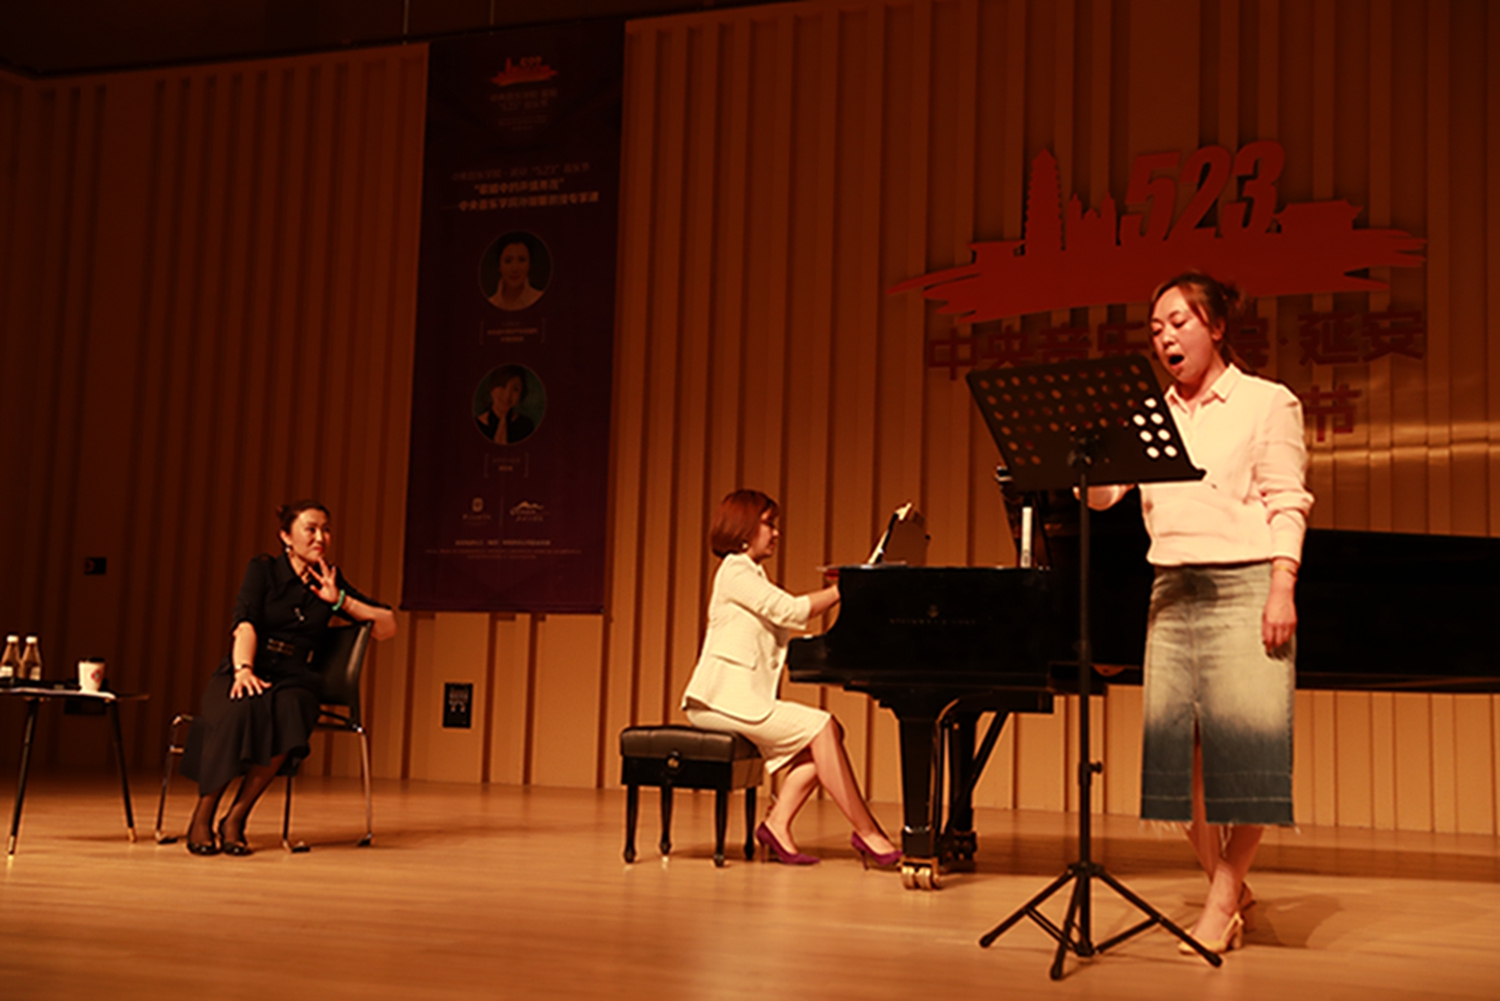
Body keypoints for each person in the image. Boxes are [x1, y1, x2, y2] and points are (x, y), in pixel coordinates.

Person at [1086, 273, 1312, 954]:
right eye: (1156, 328)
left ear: (1216, 327)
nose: (1165, 338)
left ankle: (1221, 901)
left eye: (1179, 323)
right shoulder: (1151, 414)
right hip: (1171, 588)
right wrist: (1088, 454)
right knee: (1174, 763)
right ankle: (1228, 886)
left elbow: (1287, 500)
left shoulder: (1267, 402)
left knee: (1248, 752)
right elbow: (1104, 498)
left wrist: (1282, 584)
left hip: (1246, 583)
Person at [681, 489, 900, 867]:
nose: (776, 533)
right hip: (719, 700)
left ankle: (777, 824)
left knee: (826, 737)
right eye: (768, 524)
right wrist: (844, 589)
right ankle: (867, 833)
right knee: (823, 727)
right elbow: (790, 610)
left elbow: (782, 618)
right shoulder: (734, 570)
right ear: (744, 530)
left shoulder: (751, 573)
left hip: (739, 699)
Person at [179, 501, 398, 856]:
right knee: (240, 708)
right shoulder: (263, 570)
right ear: (286, 536)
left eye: (326, 530)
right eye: (310, 529)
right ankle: (201, 818)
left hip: (295, 675)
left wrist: (339, 600)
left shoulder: (329, 578)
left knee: (293, 711)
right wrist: (244, 670)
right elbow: (245, 623)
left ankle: (235, 819)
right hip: (250, 663)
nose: (320, 537)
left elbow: (387, 627)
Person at [475, 365, 536, 445]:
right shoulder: (477, 424)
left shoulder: (526, 426)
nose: (507, 395)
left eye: (515, 389)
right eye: (502, 386)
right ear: (491, 387)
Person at [487, 240, 544, 311]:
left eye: (521, 260)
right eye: (508, 261)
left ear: (529, 265)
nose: (515, 268)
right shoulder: (489, 304)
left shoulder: (542, 300)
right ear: (499, 266)